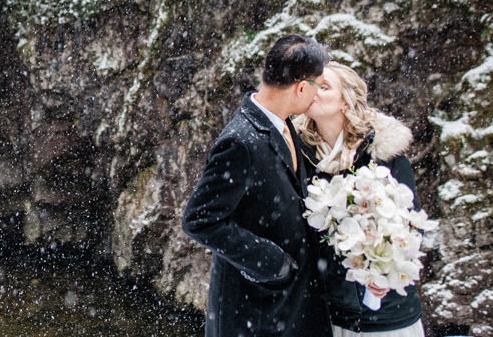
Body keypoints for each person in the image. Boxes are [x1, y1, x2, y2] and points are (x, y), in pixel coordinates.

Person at [182, 34, 333, 337]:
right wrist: (271, 263)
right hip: (255, 310)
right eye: (317, 87)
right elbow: (198, 220)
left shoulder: (284, 120)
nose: (316, 96)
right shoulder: (240, 142)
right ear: (301, 87)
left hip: (291, 303)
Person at [295, 60, 426, 337]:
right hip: (330, 315)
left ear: (345, 101)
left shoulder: (384, 153)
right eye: (311, 84)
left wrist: (386, 272)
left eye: (325, 86)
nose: (313, 90)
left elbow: (413, 226)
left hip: (389, 316)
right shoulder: (299, 155)